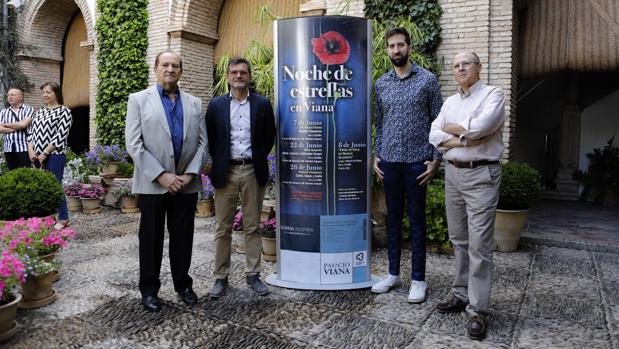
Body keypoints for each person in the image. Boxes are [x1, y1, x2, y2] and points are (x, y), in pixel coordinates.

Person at [429, 51, 505, 340]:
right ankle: (460, 295)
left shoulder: (492, 95)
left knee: (479, 245)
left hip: (481, 175)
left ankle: (477, 311)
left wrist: (456, 133)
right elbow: (433, 134)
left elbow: (485, 128)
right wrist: (465, 135)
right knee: (459, 240)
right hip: (454, 174)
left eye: (466, 63)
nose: (460, 68)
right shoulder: (449, 102)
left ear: (479, 67)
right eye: (456, 64)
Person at [125, 50, 207, 312]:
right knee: (151, 238)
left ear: (181, 70)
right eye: (165, 65)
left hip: (186, 183)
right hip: (153, 183)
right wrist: (161, 175)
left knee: (183, 237)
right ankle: (149, 290)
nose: (170, 69)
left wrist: (191, 174)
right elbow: (133, 144)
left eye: (175, 65)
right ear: (156, 68)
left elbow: (204, 143)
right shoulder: (138, 100)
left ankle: (183, 285)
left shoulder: (195, 103)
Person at [371, 27, 443, 303]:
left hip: (416, 164)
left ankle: (418, 280)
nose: (396, 50)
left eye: (400, 45)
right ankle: (392, 274)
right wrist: (376, 155)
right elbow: (379, 122)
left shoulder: (427, 80)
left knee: (417, 222)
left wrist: (435, 159)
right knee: (392, 219)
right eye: (391, 46)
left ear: (409, 47)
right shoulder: (381, 84)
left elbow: (438, 122)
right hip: (389, 163)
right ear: (387, 50)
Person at [206, 57, 276, 298]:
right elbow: (211, 137)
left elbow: (269, 137)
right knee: (222, 226)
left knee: (253, 225)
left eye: (243, 73)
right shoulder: (215, 106)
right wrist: (220, 160)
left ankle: (253, 274)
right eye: (234, 72)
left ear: (249, 76)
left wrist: (256, 157)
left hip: (252, 169)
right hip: (225, 170)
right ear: (227, 76)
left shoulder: (262, 104)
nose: (238, 76)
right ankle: (220, 277)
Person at [27, 82, 72, 230]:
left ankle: (63, 218)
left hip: (55, 154)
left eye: (48, 92)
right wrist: (31, 151)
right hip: (37, 155)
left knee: (55, 185)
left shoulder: (64, 111)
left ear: (56, 94)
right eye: (43, 92)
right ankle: (47, 217)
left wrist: (45, 153)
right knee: (40, 187)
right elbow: (31, 133)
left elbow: (61, 136)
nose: (45, 95)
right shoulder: (39, 111)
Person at [0, 88, 34, 169]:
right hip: (8, 148)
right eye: (8, 95)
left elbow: (23, 124)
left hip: (24, 147)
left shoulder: (28, 109)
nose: (10, 97)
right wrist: (17, 126)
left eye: (13, 95)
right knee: (12, 173)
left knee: (27, 173)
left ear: (21, 97)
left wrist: (5, 124)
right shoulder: (3, 112)